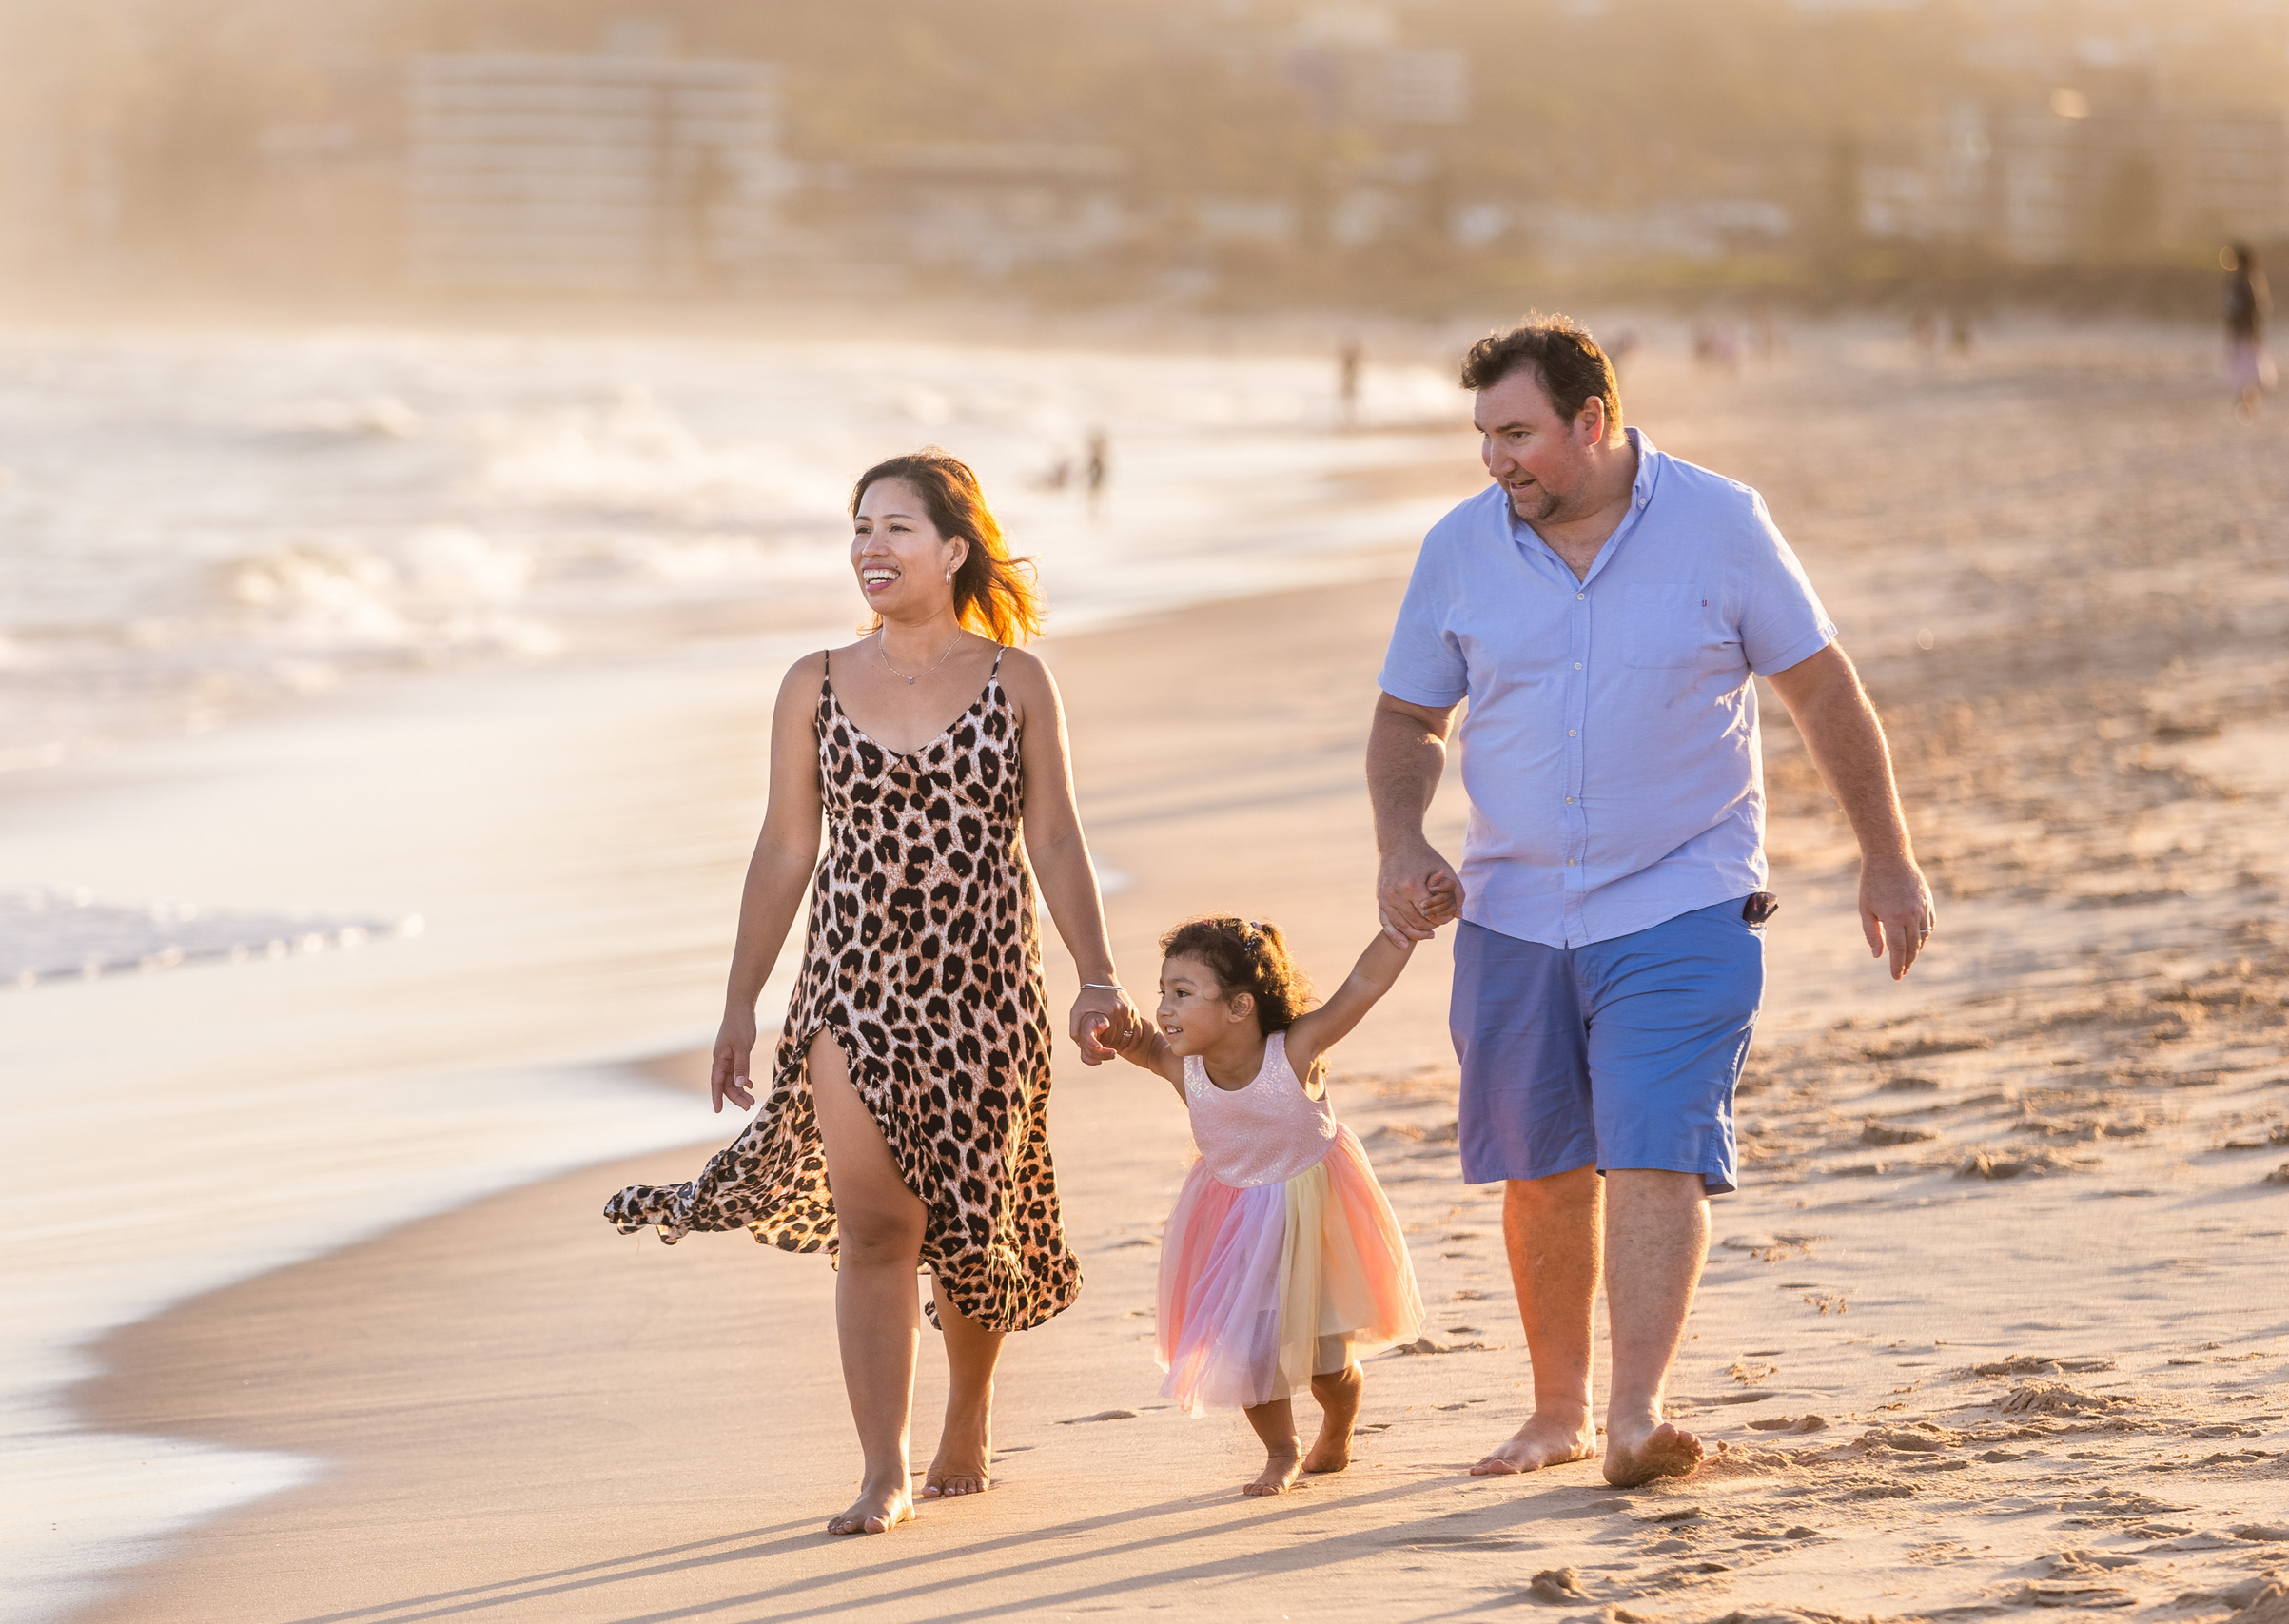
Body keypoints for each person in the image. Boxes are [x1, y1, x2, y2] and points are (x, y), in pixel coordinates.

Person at [1366, 315, 1934, 1489]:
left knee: (1654, 1147)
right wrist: (1399, 840)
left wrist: (1886, 857)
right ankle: (1557, 1410)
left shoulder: (1720, 523)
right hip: (1513, 904)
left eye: (1517, 433)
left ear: (1593, 421)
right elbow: (1408, 718)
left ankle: (1634, 1414)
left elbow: (1821, 692)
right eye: (1482, 435)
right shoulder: (1459, 549)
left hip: (1683, 893)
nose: (1495, 460)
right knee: (1541, 1165)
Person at [604, 450, 1137, 1536]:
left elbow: (1056, 839)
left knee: (972, 1221)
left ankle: (970, 1415)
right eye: (858, 528)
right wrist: (739, 1003)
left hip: (984, 988)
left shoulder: (1017, 681)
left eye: (895, 527)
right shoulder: (812, 681)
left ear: (953, 548)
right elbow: (783, 850)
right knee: (879, 1225)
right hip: (852, 988)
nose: (869, 547)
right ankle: (880, 1469)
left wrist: (1095, 974)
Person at [1100, 916, 1424, 1497]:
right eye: (1162, 993)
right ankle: (1282, 1449)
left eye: (1183, 994)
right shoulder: (1187, 1071)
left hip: (1312, 1218)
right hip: (1232, 1226)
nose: (1164, 1009)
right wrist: (1114, 1030)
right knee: (1250, 1352)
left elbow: (1362, 987)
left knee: (1328, 1363)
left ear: (1240, 1007)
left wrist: (1402, 929)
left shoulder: (1295, 1053)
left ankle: (1340, 1423)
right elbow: (1142, 1044)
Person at [2224, 242, 2274, 420]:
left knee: (2246, 368)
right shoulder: (2239, 281)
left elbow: (2254, 309)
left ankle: (2248, 404)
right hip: (2240, 330)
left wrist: (2253, 331)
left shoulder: (2247, 281)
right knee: (2242, 366)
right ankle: (2245, 403)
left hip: (2245, 331)